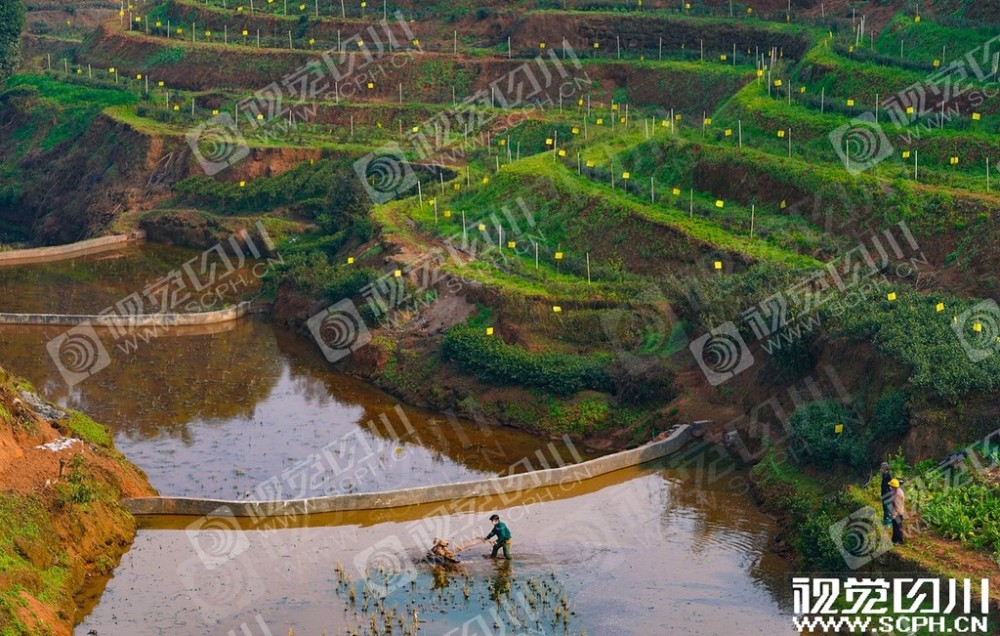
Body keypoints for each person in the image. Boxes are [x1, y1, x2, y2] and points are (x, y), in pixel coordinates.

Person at [889, 478, 905, 545]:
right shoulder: (898, 491)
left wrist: (894, 515)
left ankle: (899, 541)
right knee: (896, 527)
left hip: (898, 514)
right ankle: (894, 540)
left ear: (894, 487)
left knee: (897, 527)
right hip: (899, 512)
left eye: (891, 486)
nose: (890, 487)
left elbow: (897, 507)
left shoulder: (897, 495)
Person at [880, 462, 894, 528]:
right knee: (885, 508)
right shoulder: (883, 475)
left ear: (885, 468)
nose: (881, 469)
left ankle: (889, 523)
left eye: (882, 467)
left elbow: (892, 485)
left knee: (888, 508)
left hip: (888, 494)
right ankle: (885, 520)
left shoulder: (889, 475)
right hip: (883, 493)